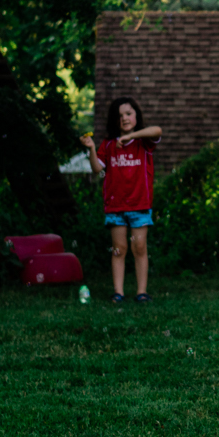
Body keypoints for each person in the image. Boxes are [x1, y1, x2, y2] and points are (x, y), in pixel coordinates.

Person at [82, 97, 163, 303]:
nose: (124, 118)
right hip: (116, 206)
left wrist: (131, 137)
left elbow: (158, 130)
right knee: (119, 250)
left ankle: (141, 292)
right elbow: (97, 168)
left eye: (129, 113)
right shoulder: (108, 144)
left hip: (140, 205)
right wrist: (91, 147)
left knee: (139, 248)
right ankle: (118, 292)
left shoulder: (144, 142)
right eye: (120, 116)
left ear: (136, 116)